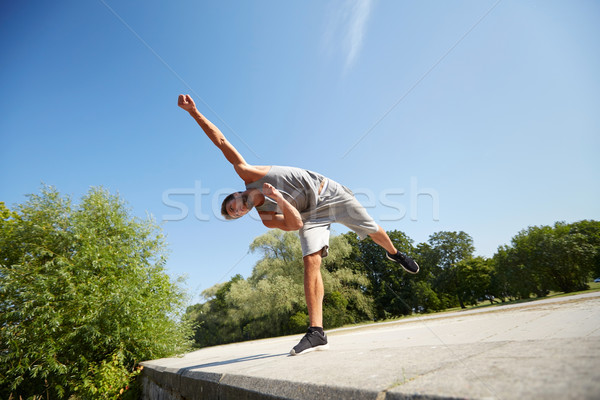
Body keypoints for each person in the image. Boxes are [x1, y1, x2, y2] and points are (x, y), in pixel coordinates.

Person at [177, 94, 419, 356]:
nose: (238, 209)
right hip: (309, 215)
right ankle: (317, 331)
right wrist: (279, 198)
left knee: (373, 230)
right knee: (311, 260)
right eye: (236, 214)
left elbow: (221, 142)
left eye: (233, 205)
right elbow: (295, 224)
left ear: (236, 194)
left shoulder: (249, 174)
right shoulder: (266, 217)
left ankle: (395, 254)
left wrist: (194, 112)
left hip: (330, 194)